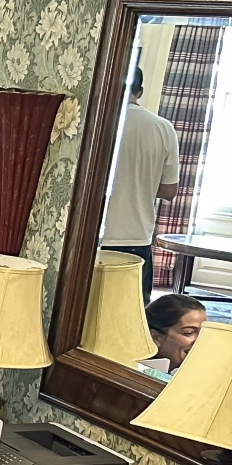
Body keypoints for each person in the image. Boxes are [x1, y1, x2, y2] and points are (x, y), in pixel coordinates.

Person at [100, 67, 180, 301]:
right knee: (132, 310)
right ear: (140, 91)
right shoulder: (163, 128)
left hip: (93, 235)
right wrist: (143, 183)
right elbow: (169, 190)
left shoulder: (95, 121)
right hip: (136, 236)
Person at [143, 293, 205, 375]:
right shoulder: (137, 374)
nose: (199, 340)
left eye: (203, 332)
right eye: (188, 332)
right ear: (156, 338)